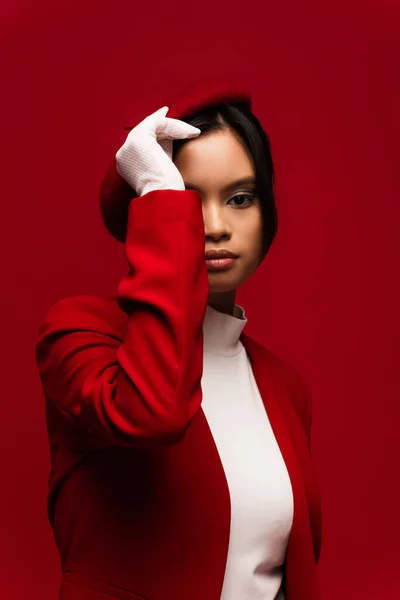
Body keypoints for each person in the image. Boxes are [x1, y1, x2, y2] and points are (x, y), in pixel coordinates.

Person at [35, 78, 322, 600]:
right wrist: (160, 200)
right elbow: (154, 413)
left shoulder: (287, 387)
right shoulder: (79, 335)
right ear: (152, 211)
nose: (214, 226)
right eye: (187, 201)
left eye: (240, 198)